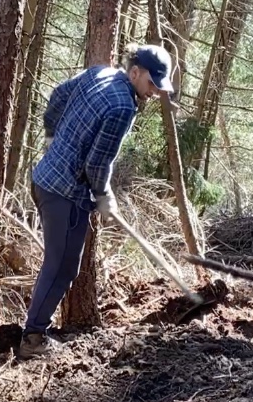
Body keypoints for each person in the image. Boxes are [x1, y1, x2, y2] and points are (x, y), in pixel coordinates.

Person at [17, 44, 174, 359]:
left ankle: (35, 330)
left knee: (62, 264)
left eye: (159, 86)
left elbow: (59, 95)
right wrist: (104, 195)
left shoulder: (99, 73)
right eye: (152, 84)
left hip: (44, 179)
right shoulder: (122, 108)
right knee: (61, 268)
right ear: (135, 72)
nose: (155, 92)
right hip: (65, 194)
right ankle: (33, 338)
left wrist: (51, 135)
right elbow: (97, 164)